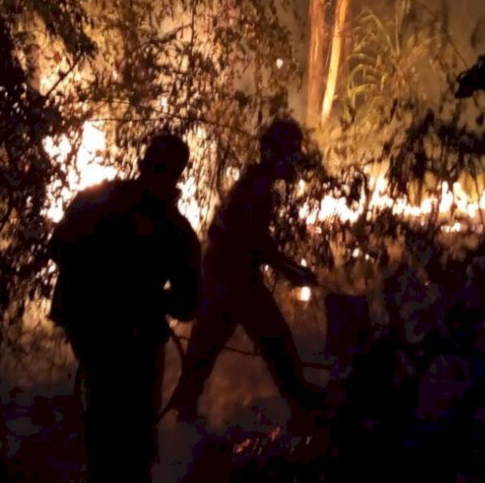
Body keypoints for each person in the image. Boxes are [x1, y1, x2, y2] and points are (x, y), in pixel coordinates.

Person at [49, 132, 201, 483]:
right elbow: (60, 248)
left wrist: (142, 299)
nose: (153, 172)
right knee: (116, 423)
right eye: (154, 165)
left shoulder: (171, 229)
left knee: (117, 424)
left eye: (160, 167)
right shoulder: (169, 228)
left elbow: (188, 302)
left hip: (119, 332)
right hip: (102, 330)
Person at [169, 118, 324, 428]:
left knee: (210, 343)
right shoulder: (256, 188)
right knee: (272, 339)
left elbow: (250, 240)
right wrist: (292, 270)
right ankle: (301, 403)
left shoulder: (255, 183)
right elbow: (256, 242)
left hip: (228, 274)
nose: (293, 161)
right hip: (233, 278)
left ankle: (185, 406)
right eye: (290, 153)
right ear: (276, 154)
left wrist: (292, 269)